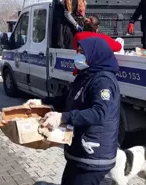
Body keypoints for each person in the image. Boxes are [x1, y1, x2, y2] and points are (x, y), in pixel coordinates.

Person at [25, 37, 120, 185]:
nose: (79, 56)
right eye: (79, 52)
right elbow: (69, 98)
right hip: (79, 151)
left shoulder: (103, 81)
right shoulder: (86, 75)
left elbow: (99, 113)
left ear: (95, 55)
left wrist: (63, 117)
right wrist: (43, 103)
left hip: (94, 155)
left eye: (83, 53)